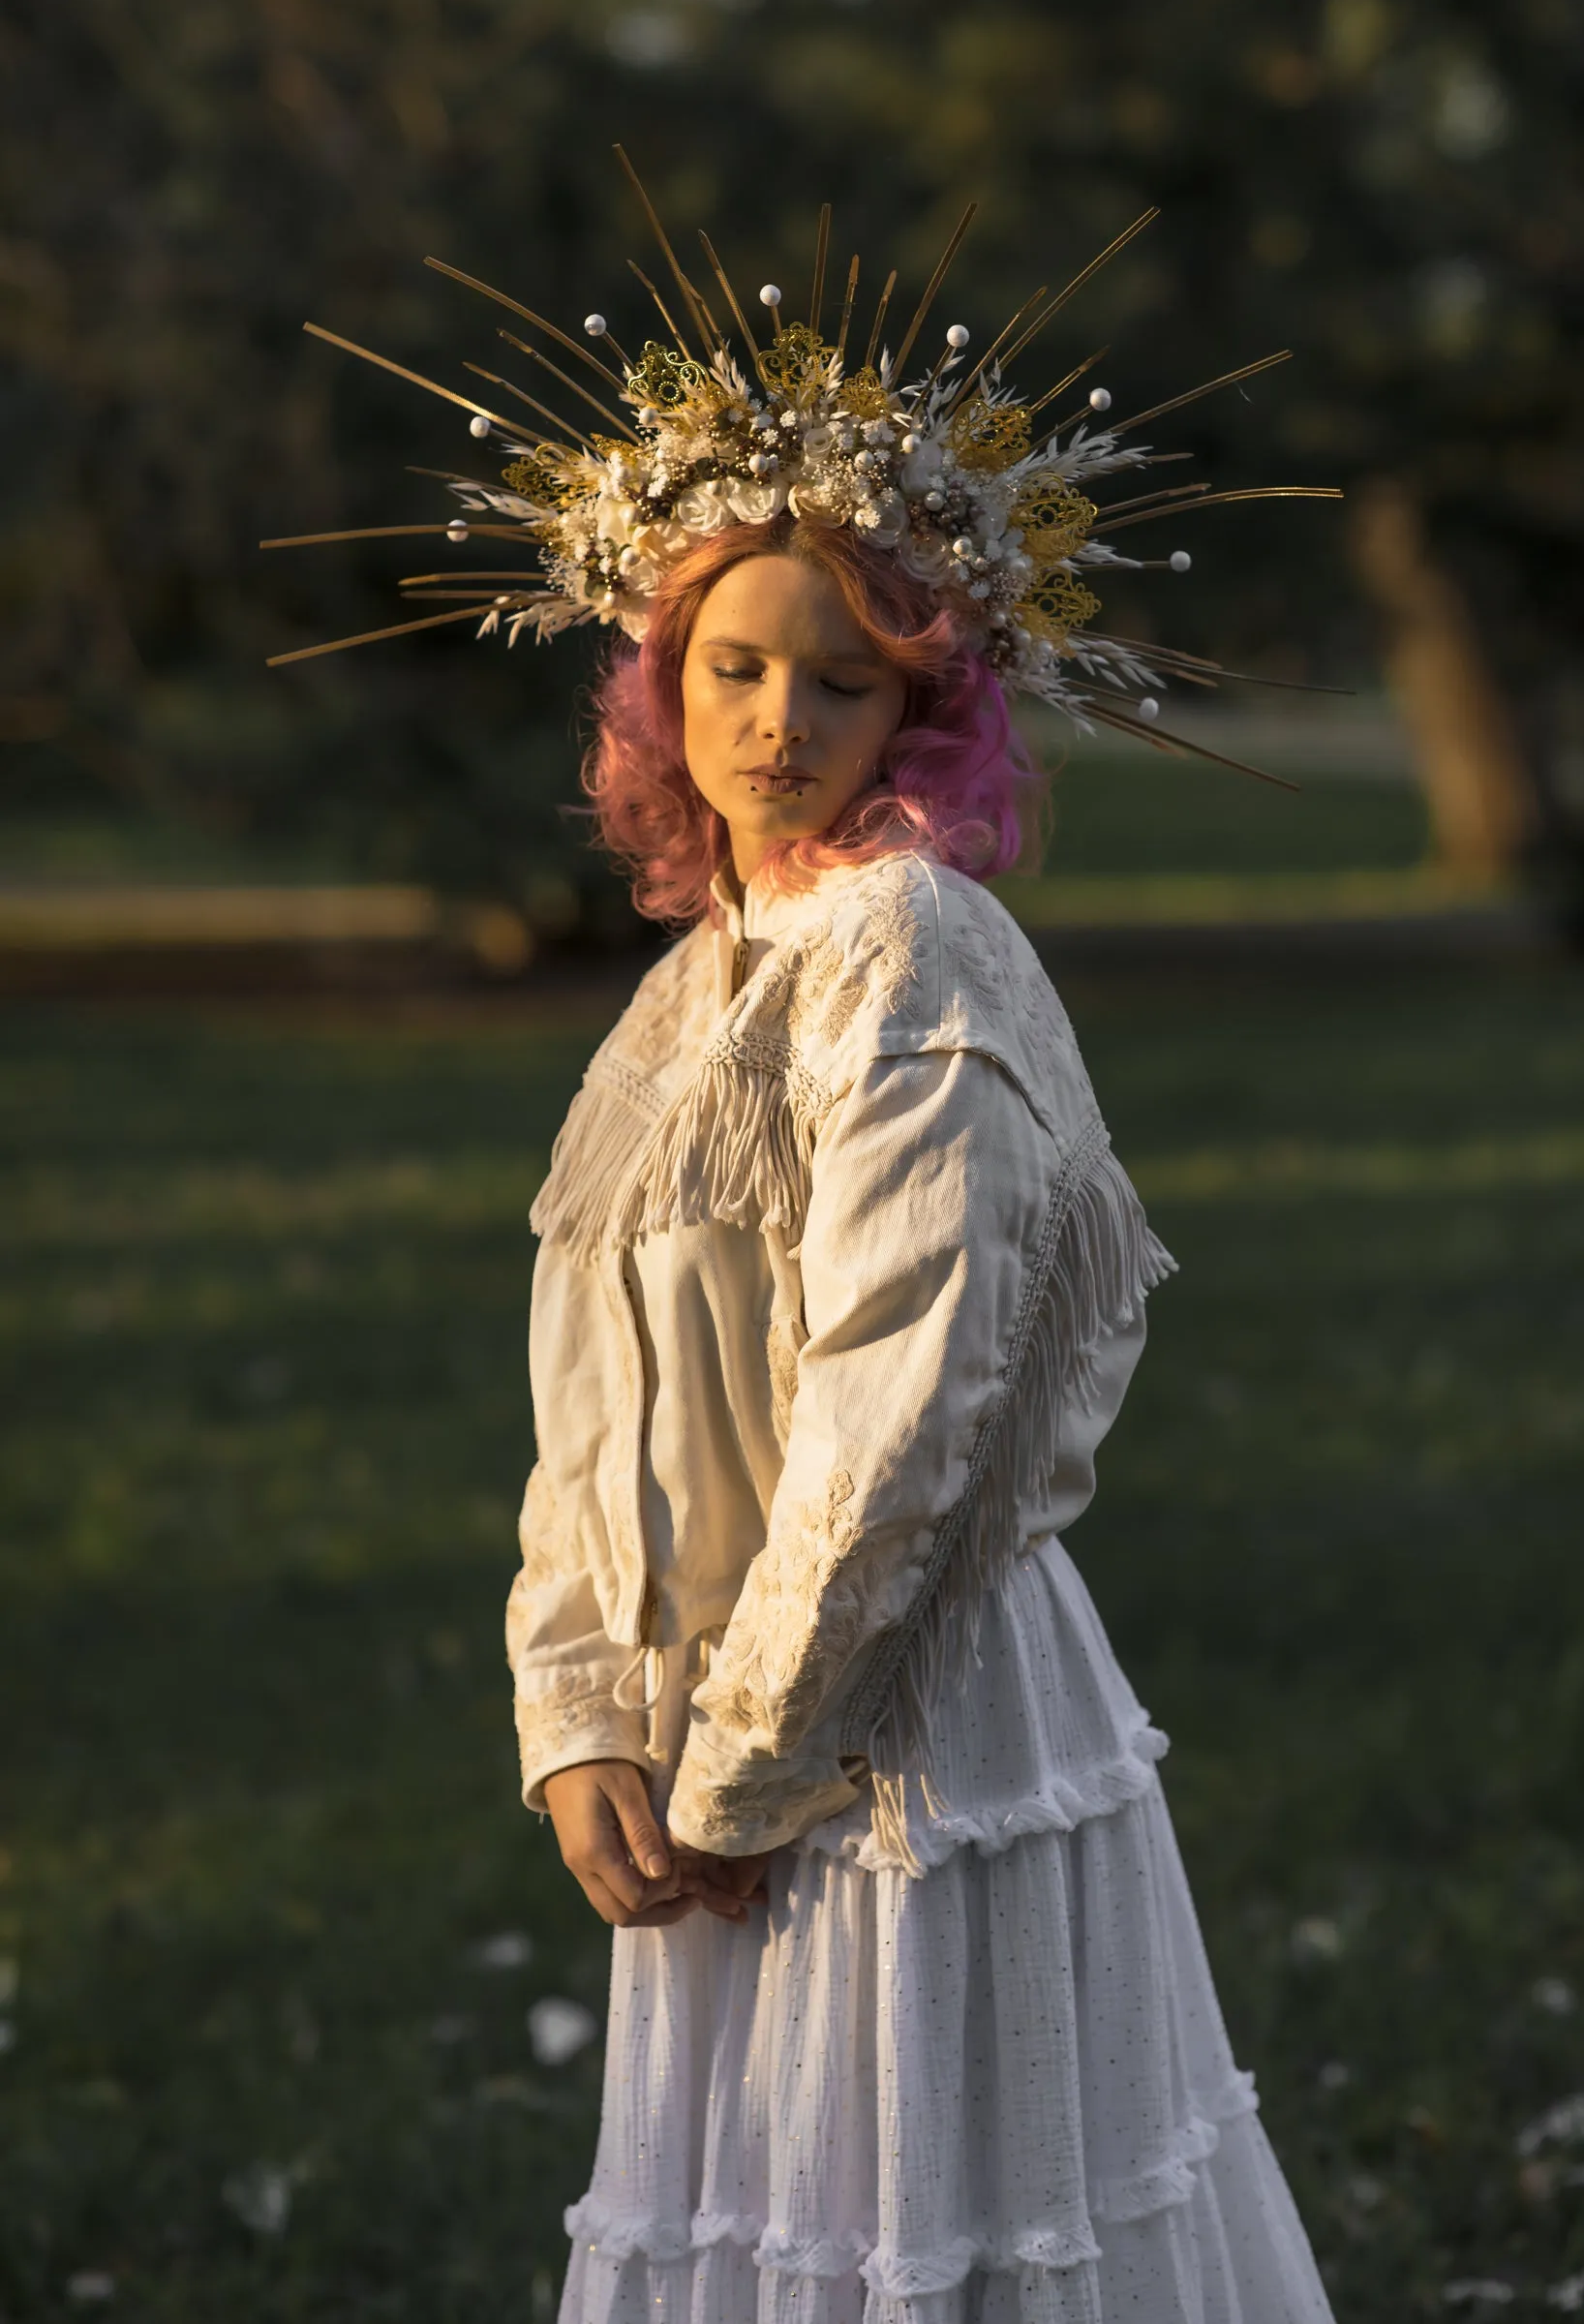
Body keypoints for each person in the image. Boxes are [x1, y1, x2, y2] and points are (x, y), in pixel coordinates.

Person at [275, 192, 1338, 2317]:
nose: (774, 719)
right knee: (772, 2233)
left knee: (930, 2226)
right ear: (659, 684)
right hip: (703, 1734)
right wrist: (577, 1702)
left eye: (837, 679)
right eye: (730, 667)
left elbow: (902, 1394)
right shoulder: (693, 983)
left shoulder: (906, 955)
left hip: (895, 1725)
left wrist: (752, 1755)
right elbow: (586, 1393)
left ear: (914, 710)